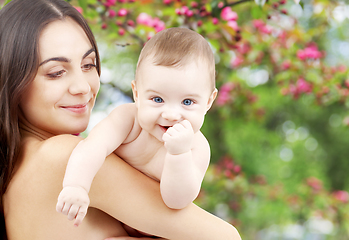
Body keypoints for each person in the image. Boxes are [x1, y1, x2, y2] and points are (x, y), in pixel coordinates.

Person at [0, 0, 241, 239]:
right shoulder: (64, 157)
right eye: (56, 72)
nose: (83, 87)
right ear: (12, 81)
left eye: (88, 64)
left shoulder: (12, 175)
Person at [56, 27, 218, 227]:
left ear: (209, 101)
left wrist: (179, 155)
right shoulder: (128, 120)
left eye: (187, 102)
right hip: (104, 216)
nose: (171, 115)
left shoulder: (196, 147)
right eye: (157, 99)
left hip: (151, 230)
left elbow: (176, 202)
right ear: (137, 94)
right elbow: (93, 146)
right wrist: (76, 185)